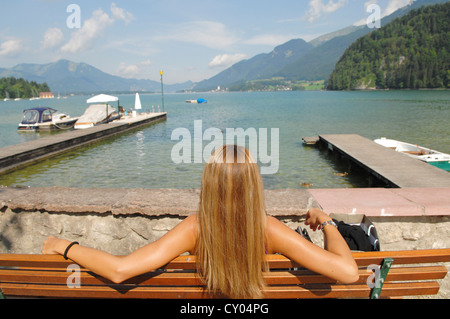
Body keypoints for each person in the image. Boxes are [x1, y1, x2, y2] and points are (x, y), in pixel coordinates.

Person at [43, 145, 359, 299]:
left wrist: (61, 244)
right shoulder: (268, 228)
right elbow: (348, 273)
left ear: (209, 183)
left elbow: (119, 270)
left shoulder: (196, 227)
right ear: (253, 184)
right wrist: (327, 222)